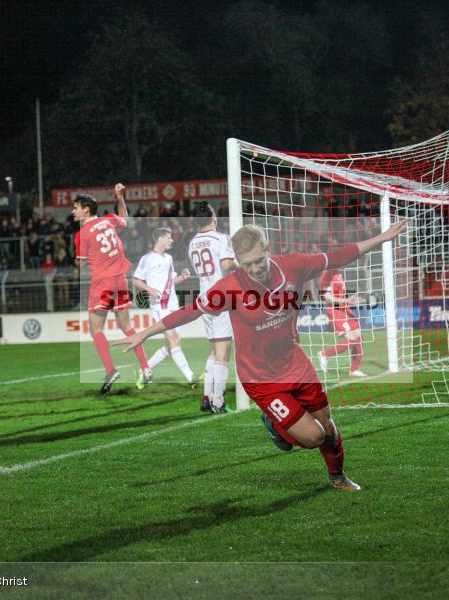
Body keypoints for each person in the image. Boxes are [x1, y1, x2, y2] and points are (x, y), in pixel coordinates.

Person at [114, 221, 407, 491]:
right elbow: (189, 311)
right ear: (237, 261)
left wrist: (381, 238)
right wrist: (145, 333)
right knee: (313, 437)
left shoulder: (294, 265)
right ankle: (274, 423)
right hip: (261, 378)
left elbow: (337, 256)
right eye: (247, 264)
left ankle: (338, 477)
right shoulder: (230, 287)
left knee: (328, 428)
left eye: (258, 260)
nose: (254, 268)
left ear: (267, 248)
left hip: (296, 365)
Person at [72, 184, 150, 394]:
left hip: (102, 282)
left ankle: (110, 370)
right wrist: (120, 196)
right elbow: (125, 218)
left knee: (96, 329)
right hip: (120, 279)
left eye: (76, 208)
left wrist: (79, 260)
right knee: (127, 326)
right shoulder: (108, 220)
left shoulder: (81, 234)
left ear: (86, 210)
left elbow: (81, 263)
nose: (73, 211)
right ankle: (146, 367)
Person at [187, 203, 236, 413]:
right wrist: (243, 264)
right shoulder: (221, 238)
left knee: (214, 350)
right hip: (221, 298)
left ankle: (207, 397)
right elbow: (226, 265)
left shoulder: (192, 243)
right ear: (213, 217)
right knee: (223, 353)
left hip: (204, 298)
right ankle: (218, 402)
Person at [132, 227, 194, 387]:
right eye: (169, 237)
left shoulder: (169, 258)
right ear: (160, 238)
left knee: (169, 345)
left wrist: (182, 277)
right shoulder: (147, 259)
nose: (171, 240)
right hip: (160, 306)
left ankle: (144, 371)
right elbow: (136, 280)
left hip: (173, 304)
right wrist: (149, 289)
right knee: (173, 340)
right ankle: (191, 378)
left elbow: (171, 281)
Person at [317, 269, 366, 377]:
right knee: (353, 340)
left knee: (359, 339)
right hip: (336, 311)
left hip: (345, 308)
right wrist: (347, 301)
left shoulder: (338, 272)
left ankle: (354, 370)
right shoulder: (326, 275)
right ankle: (324, 354)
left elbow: (338, 293)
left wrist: (350, 300)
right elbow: (328, 298)